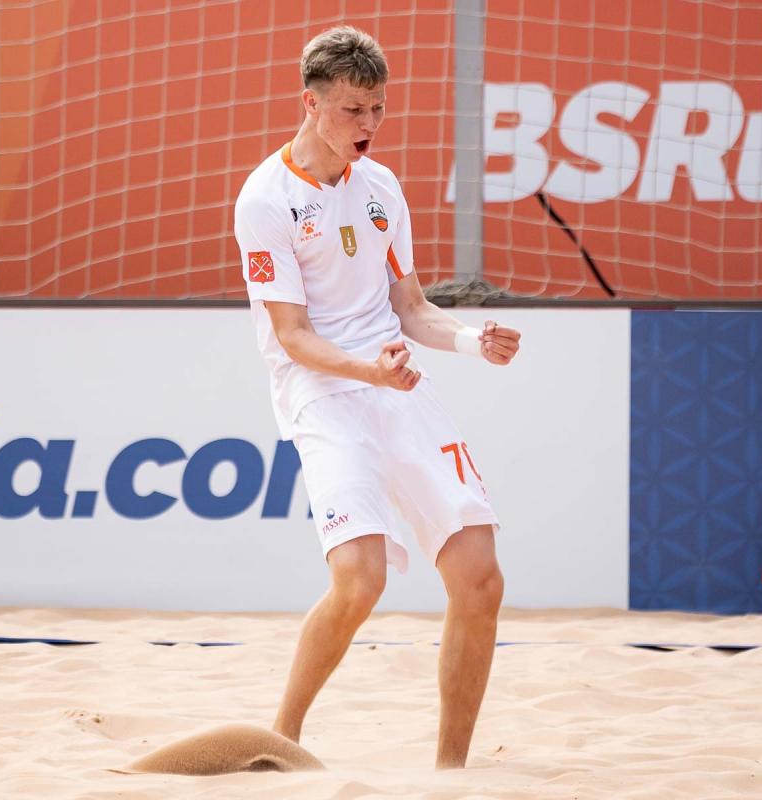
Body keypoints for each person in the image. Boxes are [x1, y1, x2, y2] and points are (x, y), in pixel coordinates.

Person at [232, 26, 522, 769]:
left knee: (480, 578)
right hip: (323, 393)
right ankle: (282, 740)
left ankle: (450, 774)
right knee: (360, 580)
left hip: (395, 383)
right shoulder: (265, 199)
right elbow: (293, 336)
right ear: (311, 103)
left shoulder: (381, 187)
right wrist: (370, 371)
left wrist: (472, 340)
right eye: (354, 110)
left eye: (379, 109)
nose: (369, 125)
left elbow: (413, 309)